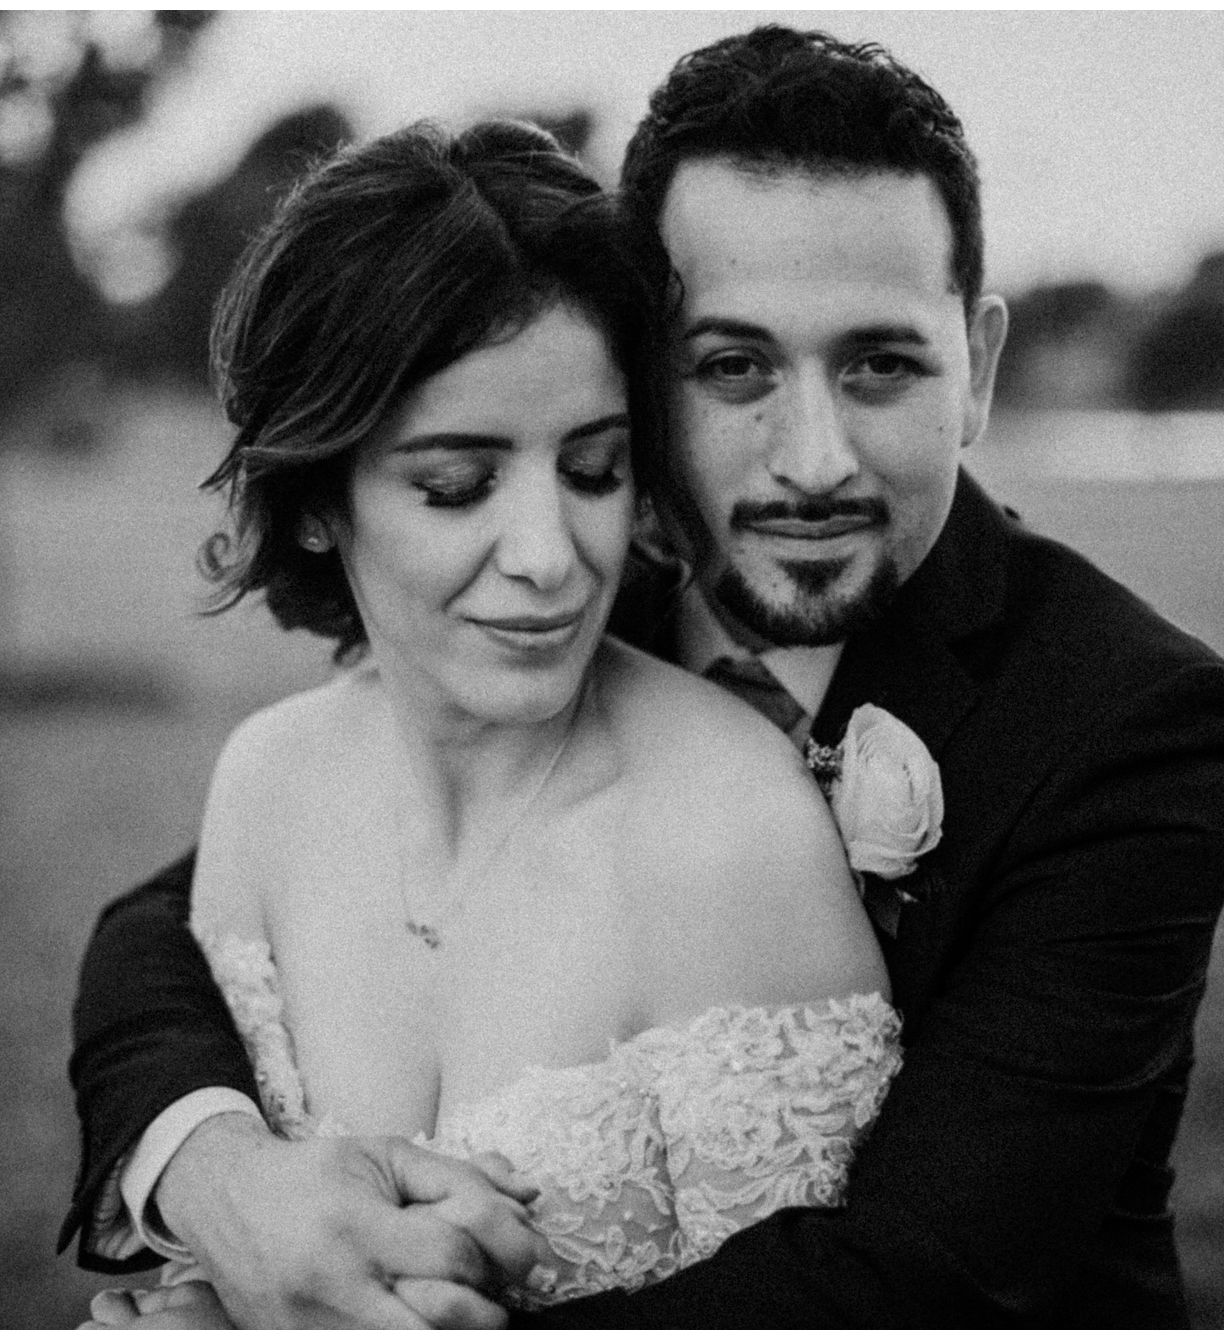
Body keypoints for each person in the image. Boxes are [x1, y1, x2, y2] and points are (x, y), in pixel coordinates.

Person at [63, 25, 1224, 1328]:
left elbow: (921, 1275)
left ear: (974, 365)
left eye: (880, 363)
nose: (812, 461)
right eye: (733, 365)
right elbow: (161, 930)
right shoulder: (558, 602)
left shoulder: (1130, 721)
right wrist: (217, 1178)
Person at [71, 114, 908, 1328]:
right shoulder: (268, 776)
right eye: (455, 485)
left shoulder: (728, 832)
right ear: (312, 500)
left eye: (593, 469)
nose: (548, 557)